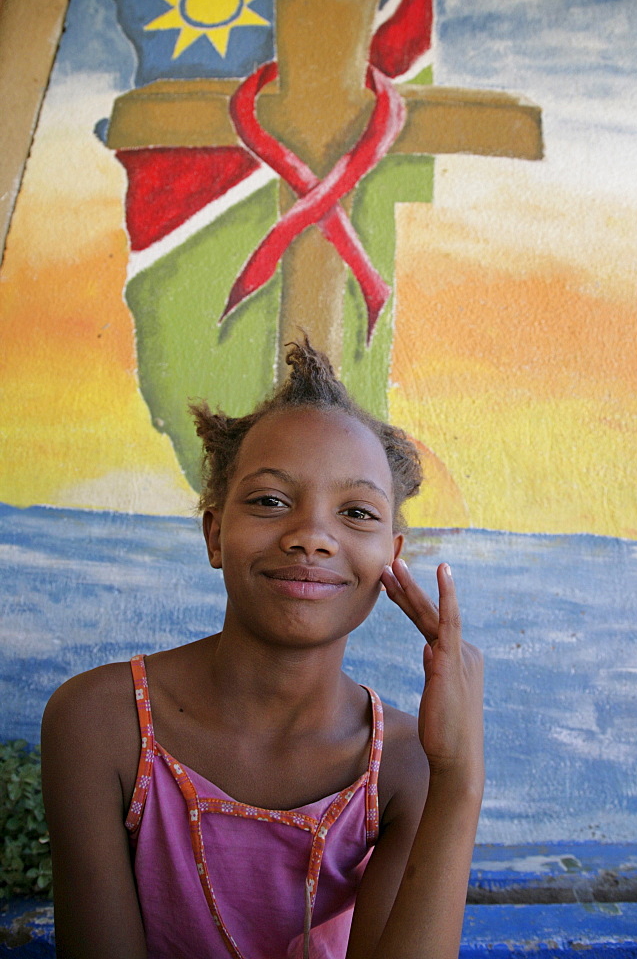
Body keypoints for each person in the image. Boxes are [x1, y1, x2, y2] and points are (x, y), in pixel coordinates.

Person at [41, 337, 484, 959]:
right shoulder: (102, 721)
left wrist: (459, 778)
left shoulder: (406, 765)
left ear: (392, 558)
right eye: (271, 501)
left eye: (357, 513)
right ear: (215, 533)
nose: (312, 536)